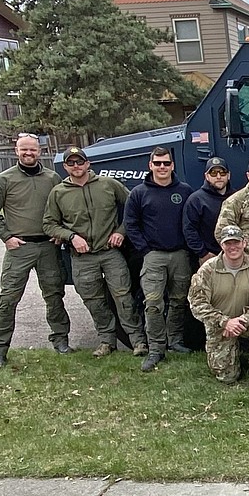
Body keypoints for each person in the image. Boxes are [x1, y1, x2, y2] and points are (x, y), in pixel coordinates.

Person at [43, 147, 148, 358]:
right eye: (71, 163)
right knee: (94, 301)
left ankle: (138, 341)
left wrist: (121, 232)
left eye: (79, 162)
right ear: (65, 167)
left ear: (88, 163)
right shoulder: (59, 193)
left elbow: (133, 208)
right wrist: (71, 236)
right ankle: (106, 341)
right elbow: (49, 224)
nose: (76, 166)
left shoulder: (108, 185)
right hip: (82, 257)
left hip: (110, 253)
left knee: (123, 297)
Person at [0, 133, 70, 367]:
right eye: (24, 150)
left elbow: (63, 209)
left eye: (33, 150)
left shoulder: (52, 178)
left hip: (48, 247)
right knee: (8, 299)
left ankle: (61, 340)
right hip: (19, 248)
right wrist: (6, 237)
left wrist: (60, 234)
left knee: (54, 296)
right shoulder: (3, 180)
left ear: (40, 151)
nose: (29, 154)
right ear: (16, 151)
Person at [124, 147, 195, 372]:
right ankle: (156, 348)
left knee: (178, 300)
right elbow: (131, 224)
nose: (162, 167)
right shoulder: (139, 193)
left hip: (180, 255)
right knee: (153, 303)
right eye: (157, 163)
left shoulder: (184, 191)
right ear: (150, 166)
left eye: (166, 163)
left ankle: (175, 341)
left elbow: (191, 221)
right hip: (153, 256)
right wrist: (145, 249)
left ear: (172, 165)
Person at [188, 225, 249, 395]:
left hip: (248, 320)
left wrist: (244, 319)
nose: (233, 247)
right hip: (220, 325)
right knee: (227, 377)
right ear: (221, 246)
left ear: (244, 243)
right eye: (228, 243)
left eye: (236, 242)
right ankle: (233, 356)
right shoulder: (208, 270)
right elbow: (197, 303)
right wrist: (225, 322)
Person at [183, 157, 237, 266]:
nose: (218, 177)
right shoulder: (196, 200)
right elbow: (189, 230)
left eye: (222, 173)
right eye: (213, 173)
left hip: (234, 257)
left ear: (228, 175)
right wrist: (203, 253)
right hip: (209, 258)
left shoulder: (237, 197)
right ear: (206, 176)